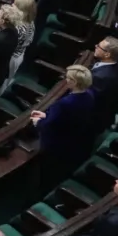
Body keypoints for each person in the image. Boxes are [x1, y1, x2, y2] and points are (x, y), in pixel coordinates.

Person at [32, 64, 96, 192]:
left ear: (74, 82)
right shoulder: (90, 95)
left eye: (68, 78)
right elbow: (66, 118)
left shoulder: (65, 103)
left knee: (46, 171)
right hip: (72, 139)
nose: (66, 80)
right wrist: (47, 115)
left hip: (55, 143)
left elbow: (49, 125)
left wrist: (37, 122)